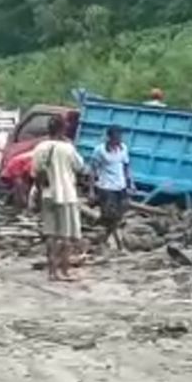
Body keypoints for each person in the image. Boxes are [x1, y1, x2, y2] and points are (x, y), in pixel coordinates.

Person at [32, 116, 85, 280]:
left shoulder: (40, 147)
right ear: (62, 129)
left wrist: (39, 193)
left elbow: (36, 172)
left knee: (50, 234)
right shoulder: (67, 148)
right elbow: (80, 167)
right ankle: (64, 271)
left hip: (48, 194)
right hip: (66, 195)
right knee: (65, 236)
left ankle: (51, 272)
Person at [89, 126, 133, 249]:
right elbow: (92, 170)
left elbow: (126, 166)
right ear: (109, 138)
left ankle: (105, 236)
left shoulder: (123, 148)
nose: (118, 139)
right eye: (116, 137)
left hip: (121, 186)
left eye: (119, 137)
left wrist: (130, 183)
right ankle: (116, 242)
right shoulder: (100, 151)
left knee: (120, 213)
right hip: (106, 187)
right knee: (111, 215)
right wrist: (91, 190)